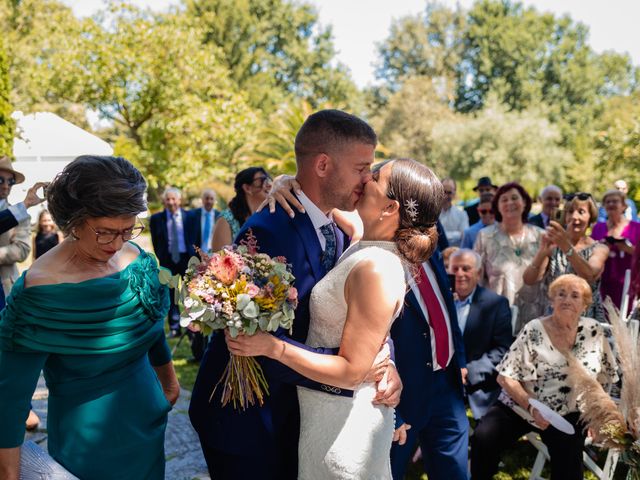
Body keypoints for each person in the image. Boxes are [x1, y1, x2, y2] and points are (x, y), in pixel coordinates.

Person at [189, 109, 402, 480]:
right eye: (360, 168)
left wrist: (384, 362)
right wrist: (354, 374)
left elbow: (352, 316)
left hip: (294, 415)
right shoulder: (270, 229)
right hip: (249, 419)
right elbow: (253, 342)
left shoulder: (338, 225)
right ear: (322, 165)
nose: (367, 179)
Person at [228, 158, 443, 479]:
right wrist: (287, 182)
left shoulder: (377, 268)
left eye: (373, 178)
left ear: (389, 208)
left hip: (345, 429)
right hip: (324, 416)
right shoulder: (365, 240)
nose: (363, 180)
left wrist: (272, 347)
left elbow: (351, 371)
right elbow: (323, 196)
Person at [0, 155, 180, 480]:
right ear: (73, 221)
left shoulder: (137, 259)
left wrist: (169, 384)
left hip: (148, 418)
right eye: (105, 232)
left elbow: (153, 326)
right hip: (87, 440)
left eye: (128, 230)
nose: (117, 244)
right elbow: (10, 399)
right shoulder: (40, 290)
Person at [470, 274, 618, 480]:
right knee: (483, 438)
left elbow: (603, 379)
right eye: (561, 294)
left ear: (585, 305)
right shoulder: (534, 330)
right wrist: (532, 407)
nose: (566, 300)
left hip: (568, 411)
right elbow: (505, 378)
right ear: (551, 300)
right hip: (522, 405)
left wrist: (596, 415)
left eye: (575, 296)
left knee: (569, 460)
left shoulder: (593, 330)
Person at [390, 213, 469, 479]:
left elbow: (446, 307)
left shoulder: (429, 245)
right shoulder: (376, 255)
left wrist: (460, 361)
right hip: (403, 391)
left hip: (446, 382)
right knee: (390, 470)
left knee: (454, 471)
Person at [524, 193, 609, 321]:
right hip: (555, 316)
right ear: (564, 216)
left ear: (591, 217)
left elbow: (589, 276)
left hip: (587, 319)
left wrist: (565, 246)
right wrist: (542, 252)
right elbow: (529, 280)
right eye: (570, 212)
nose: (575, 217)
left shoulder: (600, 248)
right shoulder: (554, 246)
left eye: (581, 212)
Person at [449, 249, 512, 420]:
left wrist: (468, 372)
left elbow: (502, 350)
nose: (460, 274)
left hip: (478, 381)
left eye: (466, 268)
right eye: (455, 269)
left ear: (478, 273)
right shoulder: (443, 302)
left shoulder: (496, 304)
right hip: (441, 379)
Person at [474, 182, 544, 332]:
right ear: (497, 207)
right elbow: (477, 278)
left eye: (514, 198)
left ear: (524, 202)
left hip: (534, 318)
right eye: (504, 200)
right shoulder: (485, 236)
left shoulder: (540, 236)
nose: (510, 203)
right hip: (497, 316)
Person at [149, 187, 195, 337]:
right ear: (164, 201)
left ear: (179, 200)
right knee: (171, 294)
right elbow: (155, 241)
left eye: (173, 199)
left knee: (191, 292)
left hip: (186, 259)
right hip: (168, 259)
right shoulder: (156, 219)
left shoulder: (190, 217)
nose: (170, 202)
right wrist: (161, 256)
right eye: (167, 199)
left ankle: (192, 327)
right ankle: (175, 327)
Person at [591, 189, 640, 311]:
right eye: (608, 202)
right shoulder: (598, 227)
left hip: (627, 282)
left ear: (623, 206)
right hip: (602, 281)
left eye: (615, 201)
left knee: (624, 315)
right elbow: (589, 250)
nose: (611, 204)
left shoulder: (636, 227)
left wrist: (627, 248)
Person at [210, 167, 272, 251]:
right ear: (247, 188)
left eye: (269, 180)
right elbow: (218, 260)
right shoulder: (226, 219)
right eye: (262, 180)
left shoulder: (269, 217)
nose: (269, 185)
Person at [0, 156, 32, 299]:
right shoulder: (19, 212)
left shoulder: (21, 214)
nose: (6, 186)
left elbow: (22, 249)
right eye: (0, 180)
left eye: (10, 182)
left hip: (4, 285)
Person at [186, 188, 219, 253]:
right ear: (202, 200)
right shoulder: (192, 215)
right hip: (196, 254)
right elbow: (188, 236)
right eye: (207, 198)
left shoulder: (219, 216)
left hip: (214, 254)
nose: (209, 201)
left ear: (215, 201)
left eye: (211, 199)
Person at [439, 178, 468, 247]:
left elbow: (464, 235)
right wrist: (457, 235)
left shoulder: (462, 214)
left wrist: (440, 235)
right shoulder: (432, 213)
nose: (446, 196)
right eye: (444, 192)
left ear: (454, 193)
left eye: (449, 192)